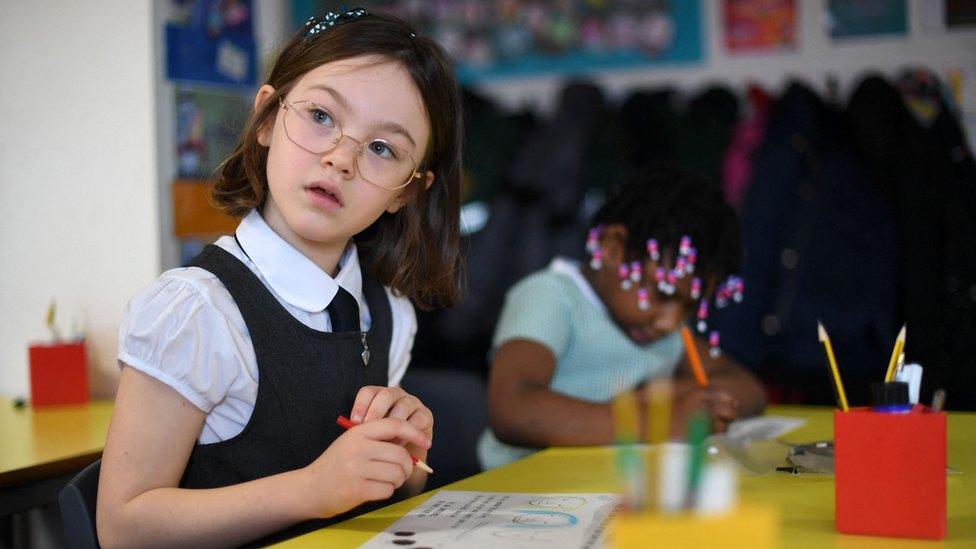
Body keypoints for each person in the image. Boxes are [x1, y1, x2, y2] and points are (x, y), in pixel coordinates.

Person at [97, 9, 463, 547]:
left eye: (383, 149)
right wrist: (312, 488)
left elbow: (385, 498)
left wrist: (404, 455)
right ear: (267, 117)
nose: (341, 158)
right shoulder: (197, 312)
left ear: (407, 191)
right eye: (320, 115)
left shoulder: (388, 312)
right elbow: (122, 526)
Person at [478, 165, 767, 470]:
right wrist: (657, 421)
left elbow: (748, 389)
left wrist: (683, 398)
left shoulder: (663, 328)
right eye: (663, 294)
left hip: (607, 488)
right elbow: (513, 409)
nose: (671, 322)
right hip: (523, 491)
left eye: (690, 306)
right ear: (613, 247)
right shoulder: (551, 297)